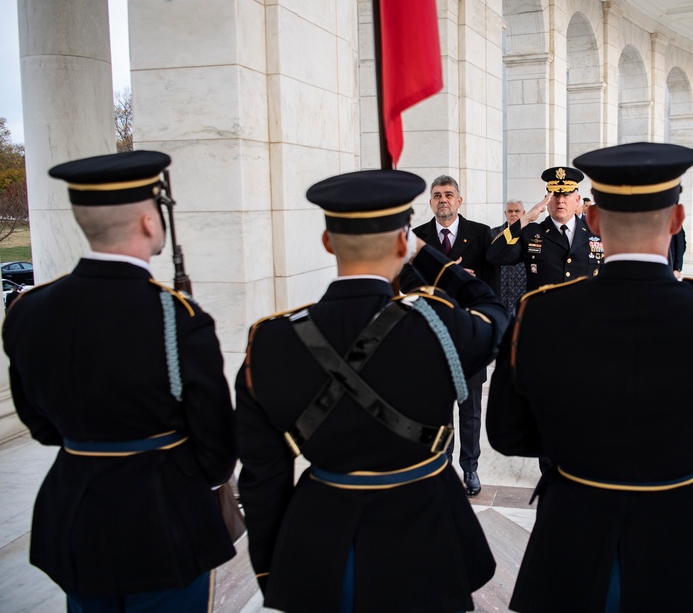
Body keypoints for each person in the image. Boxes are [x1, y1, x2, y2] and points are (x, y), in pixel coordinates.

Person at [486, 141, 693, 612]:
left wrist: (578, 455)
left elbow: (508, 432)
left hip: (574, 526)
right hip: (690, 532)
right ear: (677, 220)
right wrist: (681, 473)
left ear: (593, 219)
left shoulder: (540, 316)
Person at [236, 170, 508, 613]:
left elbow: (262, 478)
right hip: (428, 539)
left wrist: (273, 569)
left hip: (323, 542)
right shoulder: (439, 324)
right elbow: (493, 311)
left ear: (327, 242)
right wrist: (433, 260)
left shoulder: (270, 341)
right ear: (405, 243)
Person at [2, 150, 238, 612]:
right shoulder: (177, 317)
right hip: (164, 521)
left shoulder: (28, 310)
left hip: (75, 511)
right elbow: (216, 444)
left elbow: (40, 423)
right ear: (151, 222)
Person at [399, 174, 497, 496]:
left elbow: (492, 286)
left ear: (459, 200)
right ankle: (443, 468)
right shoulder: (417, 236)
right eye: (437, 195)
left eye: (449, 194)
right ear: (430, 203)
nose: (443, 199)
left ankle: (470, 468)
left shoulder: (481, 235)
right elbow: (407, 281)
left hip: (468, 335)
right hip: (433, 337)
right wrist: (450, 277)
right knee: (439, 409)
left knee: (469, 412)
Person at [486, 166, 603, 294]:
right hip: (543, 312)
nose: (560, 201)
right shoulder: (531, 233)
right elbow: (495, 256)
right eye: (555, 195)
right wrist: (525, 219)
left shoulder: (596, 231)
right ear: (546, 200)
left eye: (566, 194)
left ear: (577, 200)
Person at [489, 199, 533, 317]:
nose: (513, 214)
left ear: (524, 213)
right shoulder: (493, 234)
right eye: (510, 211)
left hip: (523, 292)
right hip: (500, 291)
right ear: (505, 214)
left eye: (517, 211)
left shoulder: (531, 235)